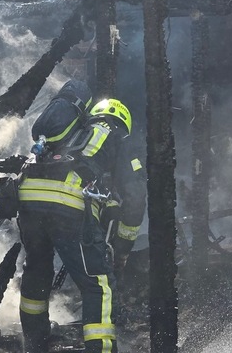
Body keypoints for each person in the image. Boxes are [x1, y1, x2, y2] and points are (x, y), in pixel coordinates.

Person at [16, 98, 144, 353]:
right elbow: (135, 195)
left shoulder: (71, 131)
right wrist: (122, 248)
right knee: (98, 284)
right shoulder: (117, 137)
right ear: (123, 123)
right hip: (66, 203)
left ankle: (34, 344)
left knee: (37, 272)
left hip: (28, 199)